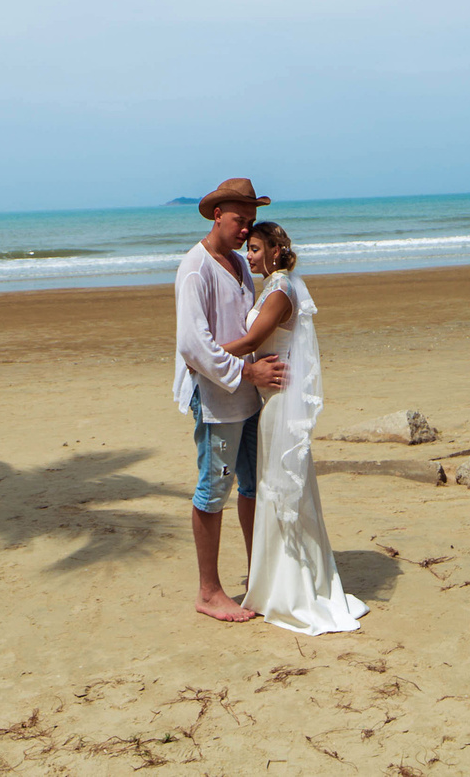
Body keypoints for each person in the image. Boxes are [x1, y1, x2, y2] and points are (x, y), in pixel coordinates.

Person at [221, 220, 367, 634]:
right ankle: (278, 581)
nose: (249, 256)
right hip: (269, 397)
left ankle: (292, 588)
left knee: (281, 485)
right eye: (248, 248)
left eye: (254, 249)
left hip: (278, 400)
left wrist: (205, 355)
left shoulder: (281, 290)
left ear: (273, 251)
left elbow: (252, 341)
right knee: (278, 485)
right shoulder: (274, 287)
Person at [174, 177, 289, 622]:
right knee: (213, 488)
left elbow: (247, 330)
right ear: (217, 214)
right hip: (216, 397)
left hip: (248, 398)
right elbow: (193, 345)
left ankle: (255, 574)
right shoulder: (195, 268)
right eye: (240, 220)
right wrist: (247, 370)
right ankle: (208, 592)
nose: (247, 230)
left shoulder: (241, 267)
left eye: (252, 222)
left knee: (253, 485)